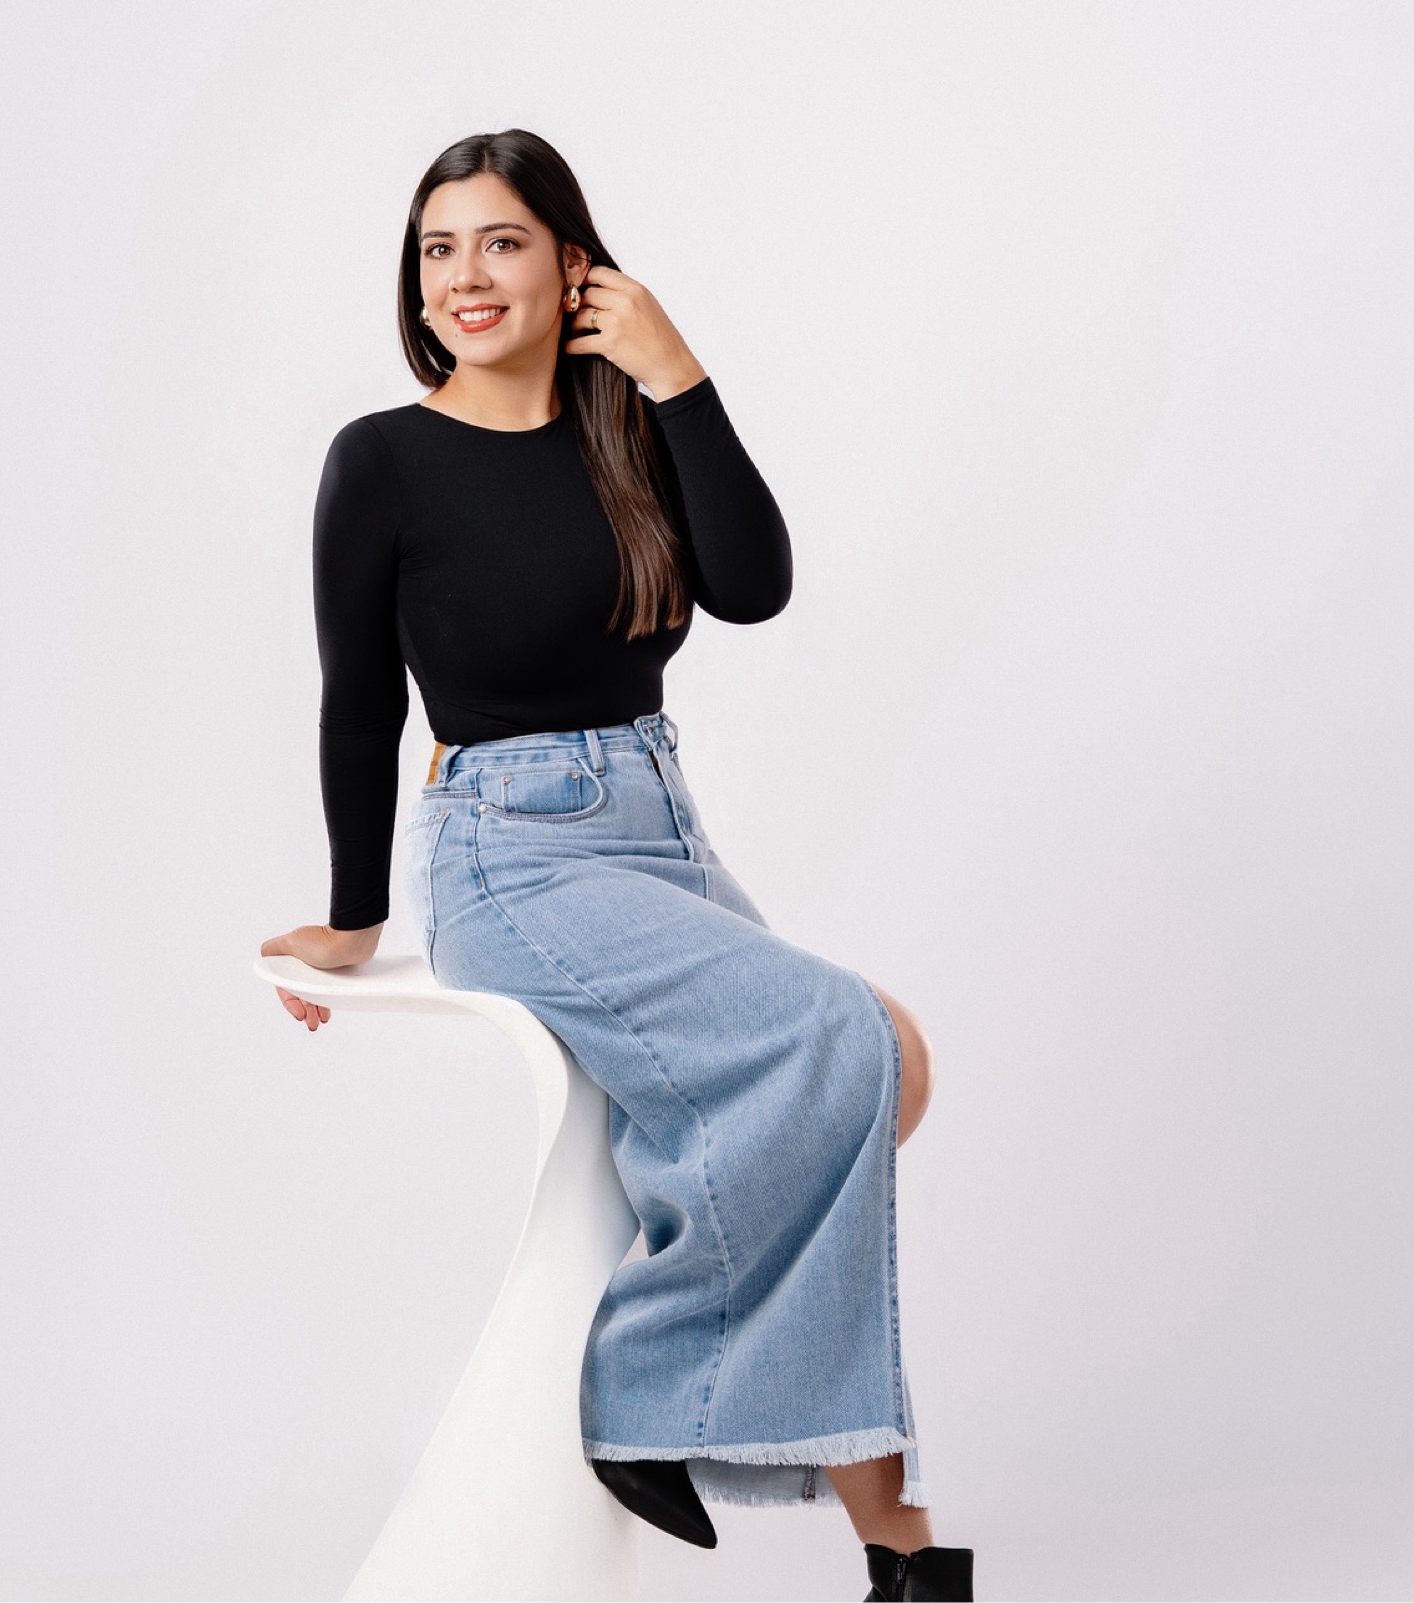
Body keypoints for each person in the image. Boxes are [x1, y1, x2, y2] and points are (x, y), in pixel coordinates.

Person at [260, 128, 975, 1603]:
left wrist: (679, 375)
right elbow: (357, 702)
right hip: (509, 853)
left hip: (658, 821)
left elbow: (756, 589)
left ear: (574, 266)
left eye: (502, 241)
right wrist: (351, 919)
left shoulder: (627, 433)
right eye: (438, 248)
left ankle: (891, 1548)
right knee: (850, 1047)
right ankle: (661, 1391)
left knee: (880, 1071)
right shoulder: (381, 460)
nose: (465, 276)